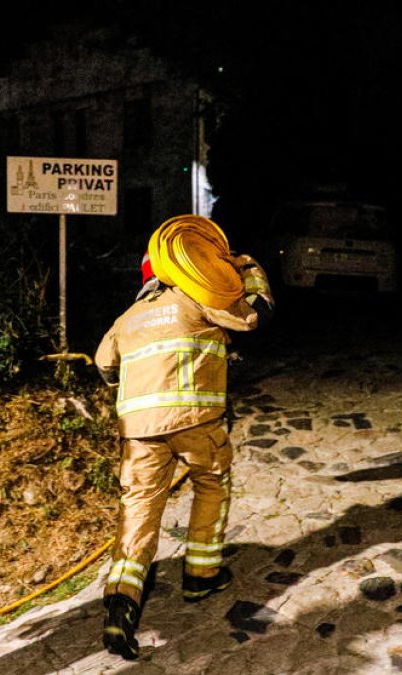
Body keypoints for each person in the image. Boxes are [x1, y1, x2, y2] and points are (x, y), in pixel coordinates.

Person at [94, 219, 273, 660]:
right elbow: (255, 313)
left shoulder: (127, 317)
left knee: (138, 510)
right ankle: (201, 575)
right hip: (197, 421)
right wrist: (245, 267)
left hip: (139, 433)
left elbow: (104, 365)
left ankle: (121, 604)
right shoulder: (198, 298)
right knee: (212, 484)